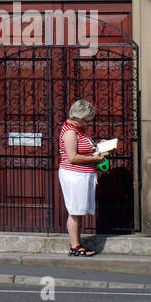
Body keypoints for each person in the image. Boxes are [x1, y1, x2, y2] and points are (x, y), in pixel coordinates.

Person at [59, 100, 102, 256]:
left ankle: (77, 244)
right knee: (75, 211)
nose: (87, 123)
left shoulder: (79, 130)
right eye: (85, 120)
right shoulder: (70, 132)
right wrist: (94, 159)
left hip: (83, 174)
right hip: (74, 175)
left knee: (79, 210)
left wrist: (98, 147)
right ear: (77, 117)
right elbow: (73, 157)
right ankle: (75, 247)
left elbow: (83, 150)